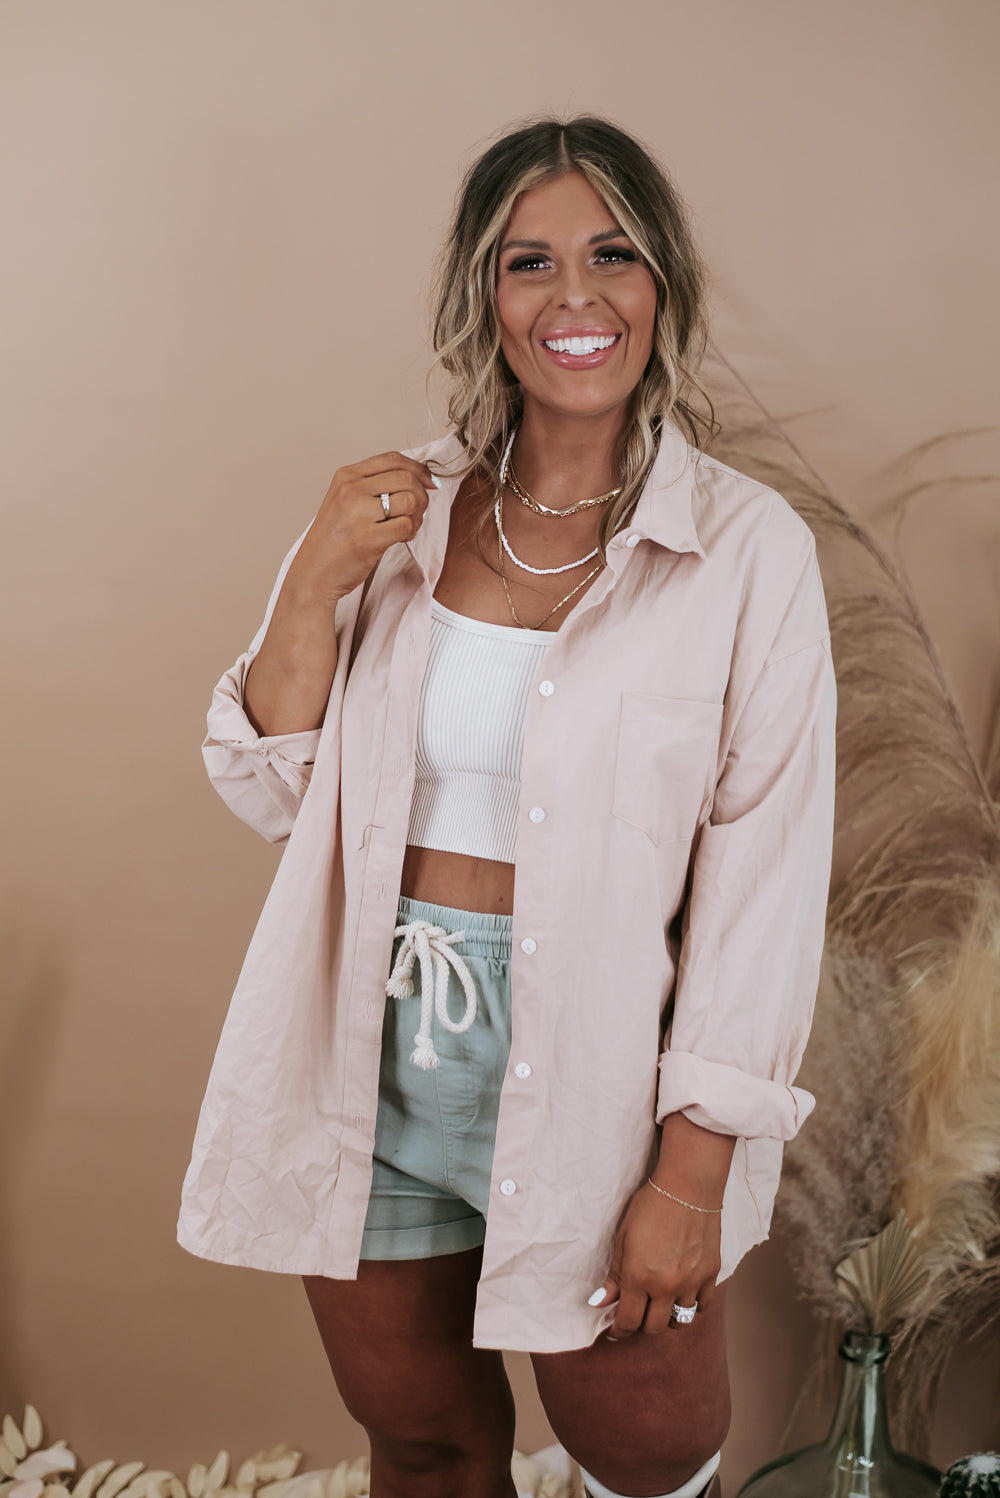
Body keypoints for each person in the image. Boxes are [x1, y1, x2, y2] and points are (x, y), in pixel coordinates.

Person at [178, 115, 837, 1498]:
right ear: (484, 295)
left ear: (664, 283)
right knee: (422, 1445)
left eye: (613, 254)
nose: (574, 295)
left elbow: (765, 886)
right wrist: (313, 577)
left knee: (647, 1461)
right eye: (530, 261)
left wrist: (691, 1172)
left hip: (604, 1062)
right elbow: (276, 788)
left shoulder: (747, 552)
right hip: (372, 1034)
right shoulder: (398, 515)